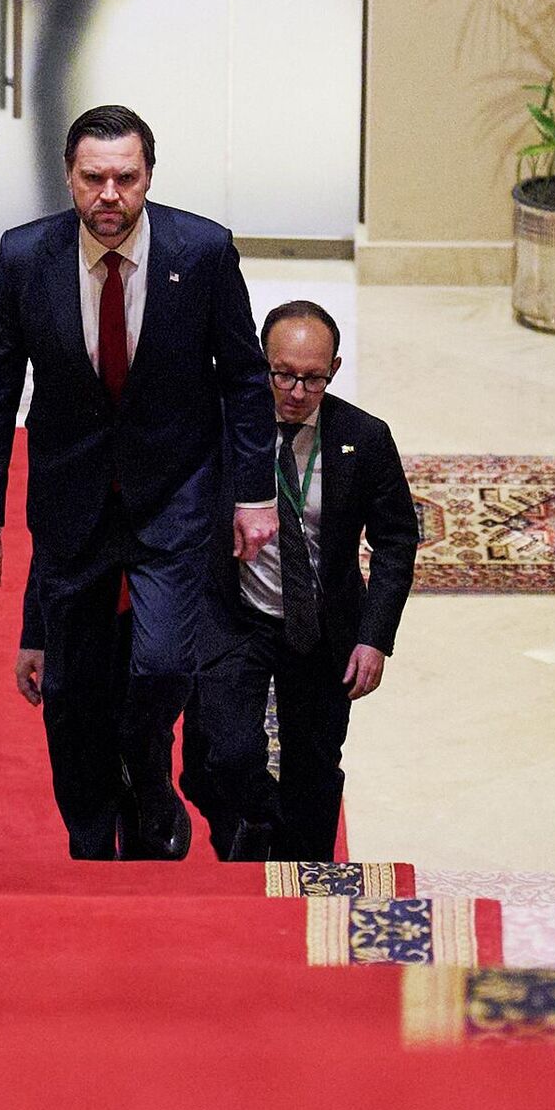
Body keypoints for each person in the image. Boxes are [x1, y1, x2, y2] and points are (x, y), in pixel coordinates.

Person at [0, 105, 274, 860]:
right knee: (69, 695)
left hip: (174, 491)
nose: (109, 195)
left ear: (149, 177)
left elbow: (244, 378)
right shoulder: (26, 257)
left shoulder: (203, 251)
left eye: (125, 178)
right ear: (68, 176)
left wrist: (254, 493)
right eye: (93, 177)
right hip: (72, 500)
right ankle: (92, 838)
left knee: (163, 662)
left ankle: (146, 765)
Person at [193, 301, 419, 861]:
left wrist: (373, 638)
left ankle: (307, 878)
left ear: (334, 370)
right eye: (283, 375)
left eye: (313, 379)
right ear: (261, 364)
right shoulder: (220, 424)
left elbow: (396, 540)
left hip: (322, 625)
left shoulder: (364, 437)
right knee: (221, 758)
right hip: (237, 615)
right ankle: (263, 828)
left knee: (314, 769)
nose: (296, 392)